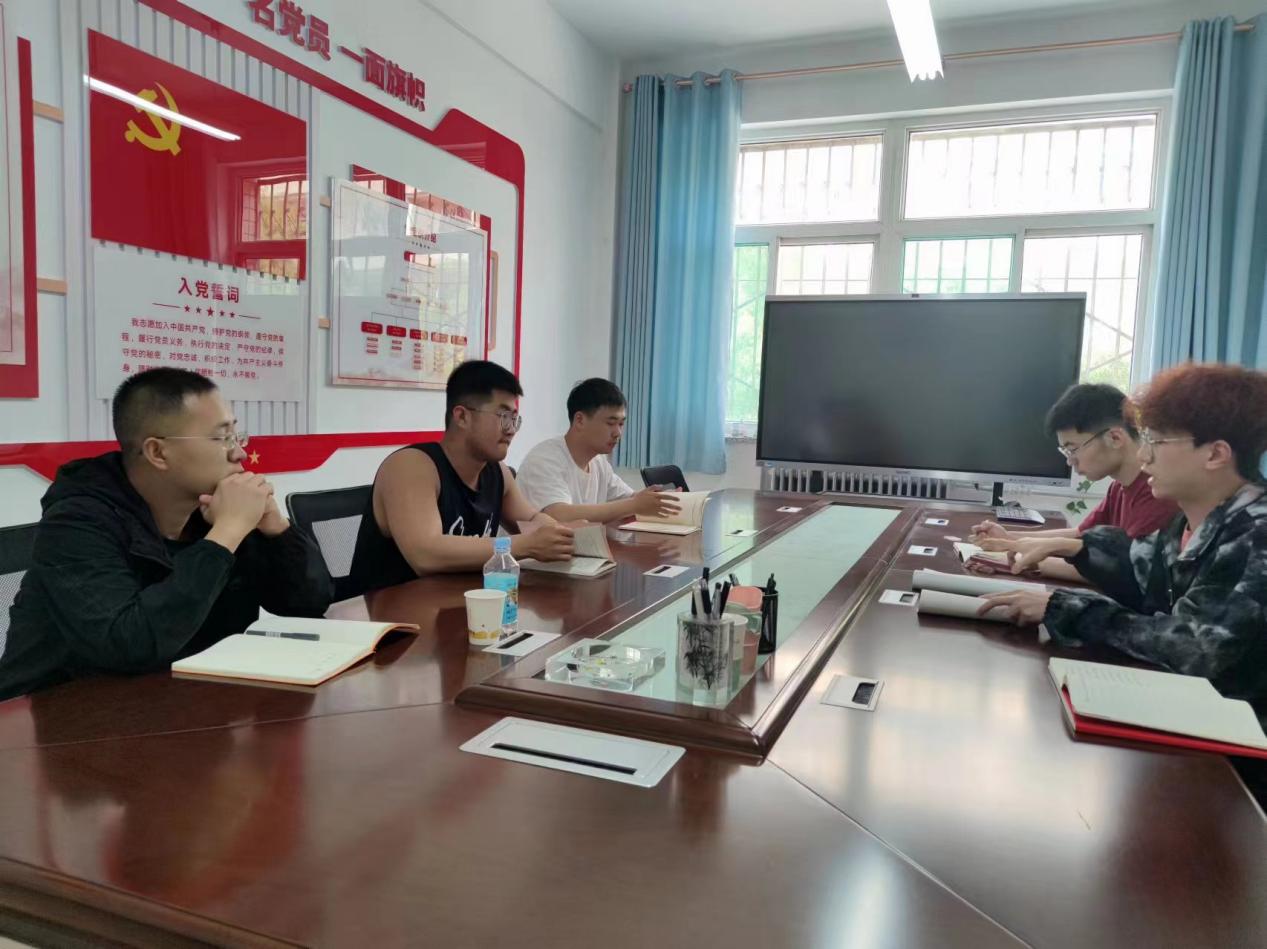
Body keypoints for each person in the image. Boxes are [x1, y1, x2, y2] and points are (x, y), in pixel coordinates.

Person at [0, 368, 333, 700]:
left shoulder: (212, 511)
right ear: (157, 453)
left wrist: (276, 529)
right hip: (57, 716)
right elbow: (128, 646)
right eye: (221, 438)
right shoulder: (76, 523)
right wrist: (226, 533)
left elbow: (308, 605)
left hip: (183, 703)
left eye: (237, 436)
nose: (239, 453)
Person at [977, 363, 1267, 716]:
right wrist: (1077, 548)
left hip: (1238, 740)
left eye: (1156, 442)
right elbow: (1140, 569)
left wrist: (1066, 608)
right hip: (1188, 710)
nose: (1143, 456)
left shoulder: (1255, 534)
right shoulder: (1190, 523)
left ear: (1215, 454)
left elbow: (1195, 647)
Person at [349, 360, 574, 588]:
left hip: (461, 600)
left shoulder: (497, 472)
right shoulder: (411, 466)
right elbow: (425, 554)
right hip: (390, 607)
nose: (511, 430)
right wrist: (527, 545)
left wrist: (560, 533)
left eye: (515, 419)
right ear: (462, 417)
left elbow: (531, 520)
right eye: (503, 416)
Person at [971, 383, 1179, 581]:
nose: (1070, 461)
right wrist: (1009, 539)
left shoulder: (1157, 493)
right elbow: (1080, 536)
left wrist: (1014, 558)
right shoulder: (1119, 487)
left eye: (1072, 449)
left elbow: (1123, 573)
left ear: (1115, 438)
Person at [515, 378, 681, 524]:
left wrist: (660, 499)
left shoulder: (598, 463)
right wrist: (634, 504)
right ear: (580, 420)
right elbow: (558, 515)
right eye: (610, 423)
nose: (618, 433)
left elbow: (629, 500)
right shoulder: (544, 460)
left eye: (621, 424)